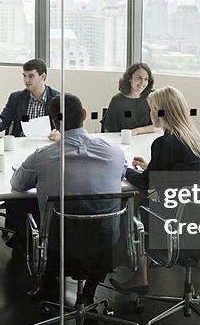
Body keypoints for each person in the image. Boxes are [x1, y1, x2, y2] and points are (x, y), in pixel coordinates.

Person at [10, 92, 127, 306]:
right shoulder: (115, 153)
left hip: (58, 245)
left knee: (21, 210)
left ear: (54, 121)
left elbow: (17, 184)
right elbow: (120, 177)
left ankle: (47, 283)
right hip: (105, 242)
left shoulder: (43, 156)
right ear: (83, 114)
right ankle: (89, 292)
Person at [112, 86, 200, 292]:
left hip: (171, 220)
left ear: (160, 111)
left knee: (132, 206)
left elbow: (146, 184)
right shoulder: (193, 140)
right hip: (196, 217)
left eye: (152, 109)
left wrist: (124, 168)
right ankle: (141, 275)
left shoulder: (165, 143)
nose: (150, 113)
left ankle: (138, 275)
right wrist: (152, 167)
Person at [0, 58, 61, 140]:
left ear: (42, 76)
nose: (26, 80)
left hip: (46, 144)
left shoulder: (57, 99)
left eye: (31, 76)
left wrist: (59, 134)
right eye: (24, 76)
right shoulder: (16, 98)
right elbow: (4, 119)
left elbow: (62, 124)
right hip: (21, 144)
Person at [101, 62, 160, 135]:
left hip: (147, 141)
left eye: (146, 79)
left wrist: (137, 131)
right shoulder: (117, 100)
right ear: (129, 78)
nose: (142, 82)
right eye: (139, 78)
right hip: (123, 140)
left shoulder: (153, 98)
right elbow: (108, 129)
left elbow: (159, 126)